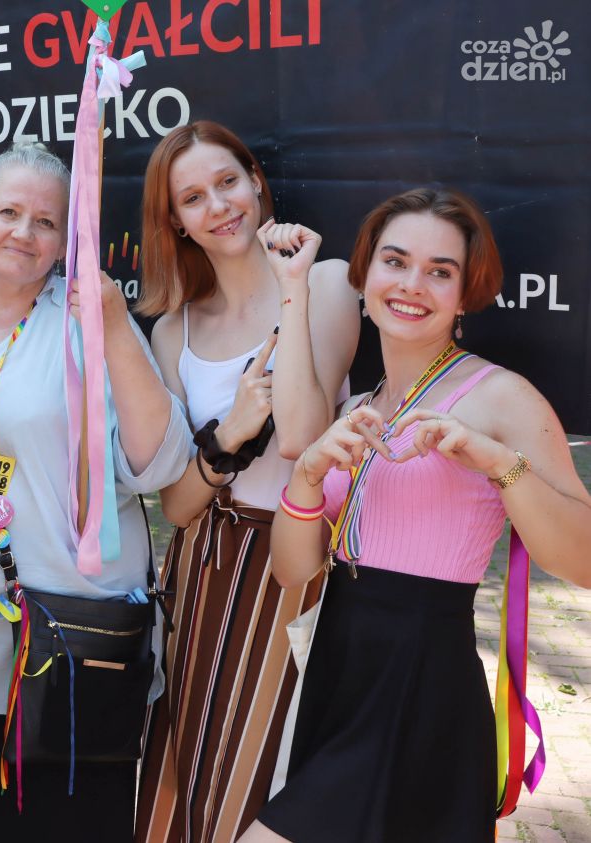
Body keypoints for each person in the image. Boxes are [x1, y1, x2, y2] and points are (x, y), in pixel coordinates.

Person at [242, 187, 591, 842]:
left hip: (419, 680)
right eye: (396, 261)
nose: (412, 285)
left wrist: (498, 462)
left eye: (440, 271)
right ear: (366, 273)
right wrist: (308, 474)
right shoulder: (359, 409)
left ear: (465, 295)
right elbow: (292, 571)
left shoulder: (500, 396)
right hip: (338, 671)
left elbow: (585, 561)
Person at [0, 142, 192, 841]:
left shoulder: (87, 327)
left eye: (46, 221)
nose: (24, 233)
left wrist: (114, 325)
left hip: (68, 659)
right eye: (8, 212)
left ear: (67, 241)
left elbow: (160, 464)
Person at [133, 121, 359, 842]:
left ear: (257, 181)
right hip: (200, 572)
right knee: (185, 775)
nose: (219, 206)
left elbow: (301, 436)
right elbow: (177, 504)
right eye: (193, 197)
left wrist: (290, 287)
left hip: (294, 563)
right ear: (176, 219)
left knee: (267, 774)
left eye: (228, 182)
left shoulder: (326, 281)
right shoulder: (172, 332)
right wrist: (228, 433)